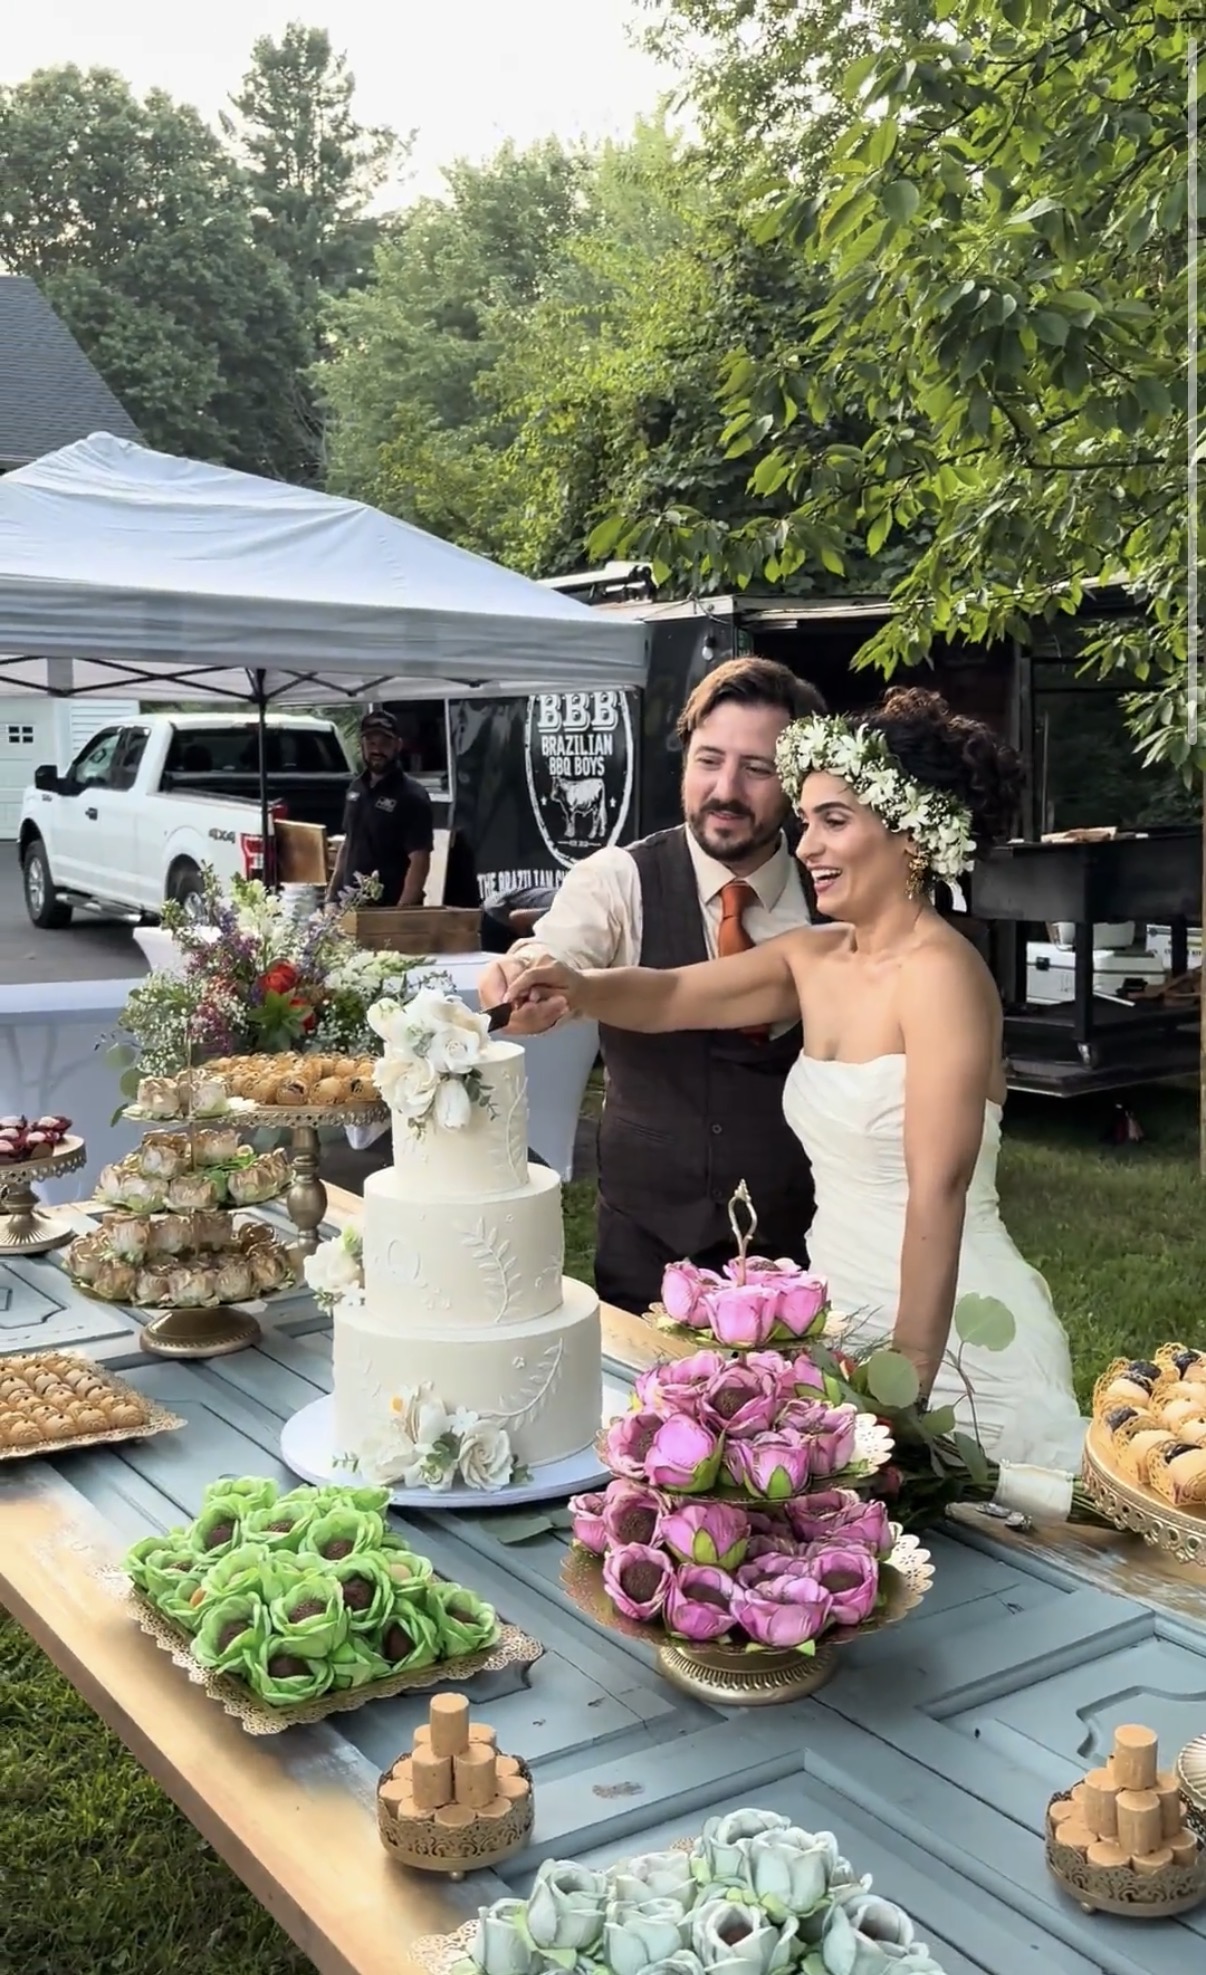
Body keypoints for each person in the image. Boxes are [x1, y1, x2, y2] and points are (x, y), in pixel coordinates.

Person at [500, 686, 1085, 1470]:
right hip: (832, 1310)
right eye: (806, 821)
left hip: (941, 1320)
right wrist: (579, 986)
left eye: (833, 821)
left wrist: (905, 1382)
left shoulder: (943, 976)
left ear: (909, 833)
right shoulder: (814, 956)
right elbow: (673, 993)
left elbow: (935, 1194)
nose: (806, 848)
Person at [479, 656, 826, 1317]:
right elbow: (556, 949)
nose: (725, 788)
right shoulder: (618, 879)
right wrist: (527, 971)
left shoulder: (831, 897)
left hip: (804, 1255)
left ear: (796, 782)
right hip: (647, 1255)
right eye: (708, 759)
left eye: (756, 769)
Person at [327, 711, 434, 908]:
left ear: (398, 745)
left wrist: (400, 914)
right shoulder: (355, 789)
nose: (377, 750)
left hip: (388, 909)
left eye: (385, 743)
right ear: (362, 746)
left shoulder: (412, 796)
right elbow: (348, 845)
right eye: (371, 743)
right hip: (351, 908)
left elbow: (419, 861)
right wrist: (331, 898)